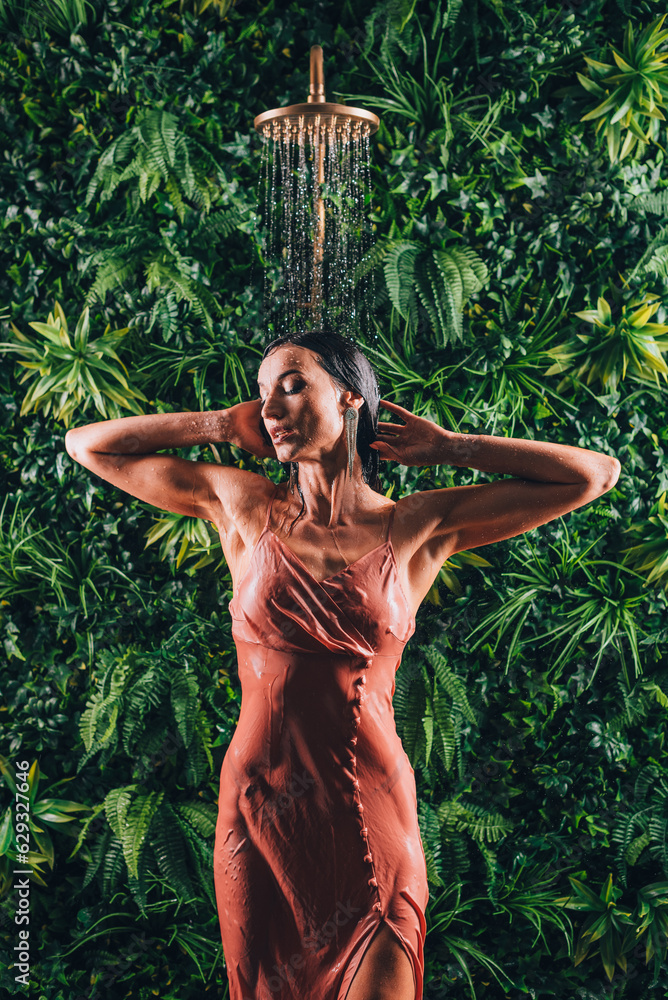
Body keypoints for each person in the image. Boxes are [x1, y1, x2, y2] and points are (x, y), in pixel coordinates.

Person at [65, 330, 621, 1000]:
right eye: (264, 390)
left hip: (368, 811)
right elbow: (88, 445)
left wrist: (450, 448)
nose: (271, 405)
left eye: (293, 384)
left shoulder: (416, 527)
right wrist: (220, 425)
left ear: (352, 394)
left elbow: (593, 474)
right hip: (258, 809)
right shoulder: (243, 507)